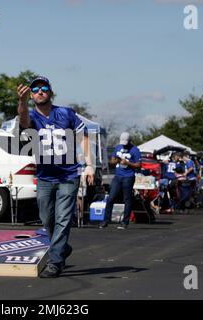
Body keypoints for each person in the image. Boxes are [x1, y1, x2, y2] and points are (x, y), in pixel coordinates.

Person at [17, 76, 95, 278]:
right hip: (45, 176)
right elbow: (24, 121)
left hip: (68, 175)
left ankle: (55, 262)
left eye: (43, 88)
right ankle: (62, 247)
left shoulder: (66, 113)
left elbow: (83, 136)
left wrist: (90, 165)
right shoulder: (32, 116)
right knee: (46, 218)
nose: (39, 91)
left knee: (63, 218)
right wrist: (22, 101)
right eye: (35, 89)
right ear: (32, 95)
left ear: (50, 92)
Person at [99, 132, 141, 229]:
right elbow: (112, 161)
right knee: (111, 198)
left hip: (128, 176)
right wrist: (116, 160)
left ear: (130, 140)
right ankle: (106, 220)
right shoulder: (118, 147)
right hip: (118, 176)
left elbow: (139, 165)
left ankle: (124, 222)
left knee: (127, 199)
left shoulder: (135, 150)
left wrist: (128, 163)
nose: (124, 144)